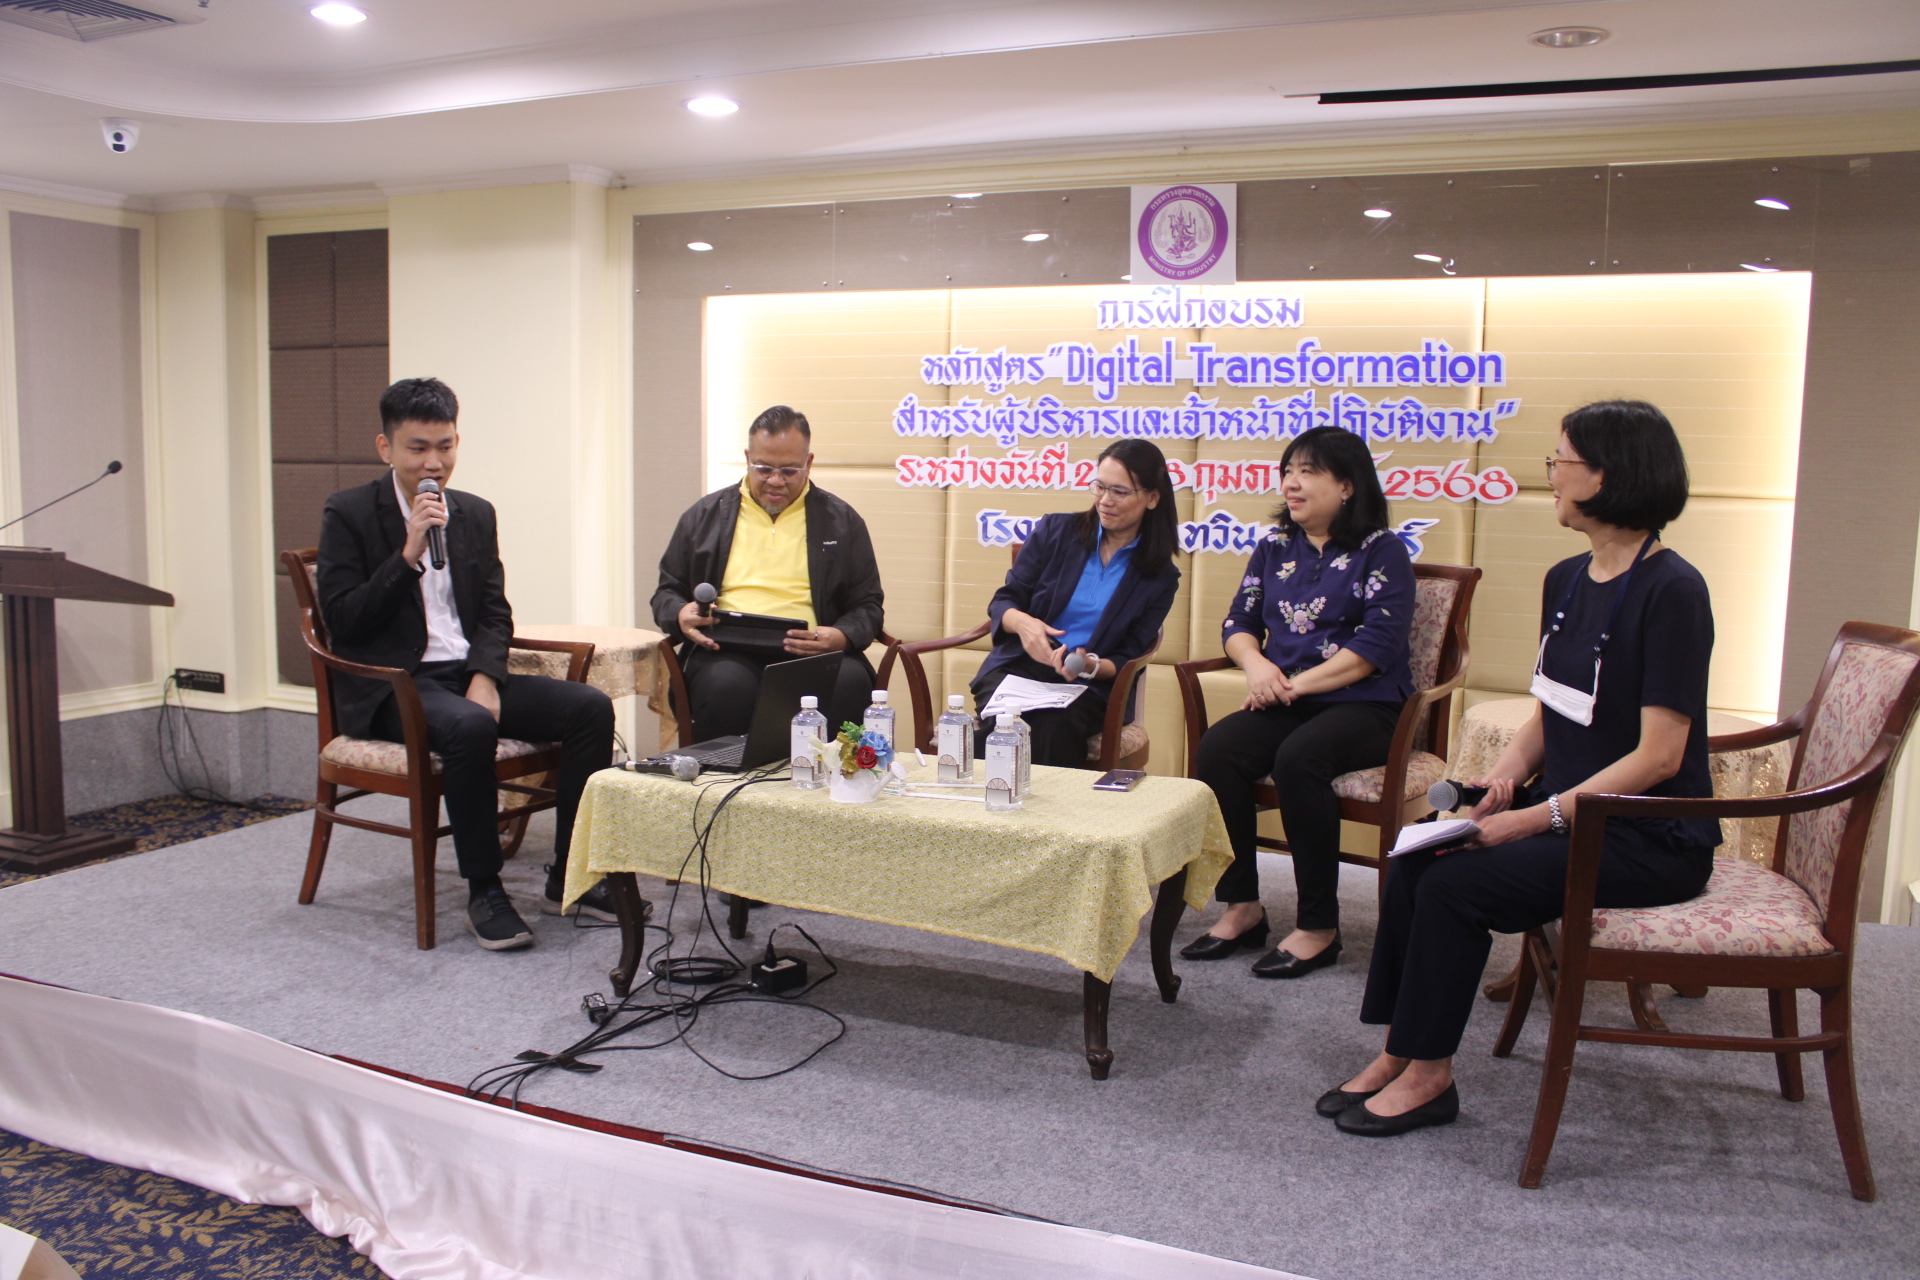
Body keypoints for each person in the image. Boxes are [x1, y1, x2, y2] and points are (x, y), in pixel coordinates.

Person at [1325, 399, 1717, 1137]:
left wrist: (1533, 819)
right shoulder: (1566, 578)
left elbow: (1661, 754)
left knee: (1457, 887)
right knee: (1416, 858)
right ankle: (1400, 1050)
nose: (1551, 476)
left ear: (1608, 475)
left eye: (1560, 462)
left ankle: (1431, 1077)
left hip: (1645, 836)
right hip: (1566, 812)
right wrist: (1504, 780)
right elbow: (1550, 714)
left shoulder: (1674, 591)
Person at [317, 378, 618, 952]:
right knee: (470, 726)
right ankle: (485, 889)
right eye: (417, 448)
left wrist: (485, 676)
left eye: (445, 446)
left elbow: (494, 612)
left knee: (590, 708)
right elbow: (344, 621)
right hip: (394, 687)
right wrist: (408, 554)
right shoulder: (349, 512)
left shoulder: (474, 513)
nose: (434, 463)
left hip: (464, 673)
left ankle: (571, 875)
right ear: (386, 448)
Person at [1187, 426, 1414, 979]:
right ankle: (1243, 906)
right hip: (1288, 697)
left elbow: (1375, 647)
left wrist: (1295, 684)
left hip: (1368, 706)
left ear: (1347, 485)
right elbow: (1237, 623)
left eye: (1307, 472)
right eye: (1287, 471)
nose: (1291, 483)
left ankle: (1318, 927)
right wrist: (1257, 666)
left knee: (1299, 759)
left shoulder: (1382, 550)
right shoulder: (1274, 548)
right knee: (1218, 749)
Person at [652, 405, 885, 741]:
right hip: (726, 651)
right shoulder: (704, 516)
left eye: (789, 471)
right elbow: (666, 592)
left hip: (811, 652)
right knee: (725, 687)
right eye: (763, 469)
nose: (775, 481)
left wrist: (840, 636)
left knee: (848, 682)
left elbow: (868, 604)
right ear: (748, 458)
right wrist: (680, 613)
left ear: (809, 463)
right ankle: (725, 776)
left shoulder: (841, 520)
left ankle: (830, 777)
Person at [969, 439, 1181, 767]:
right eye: (1100, 487)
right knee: (1009, 721)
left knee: (1053, 728)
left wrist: (1089, 665)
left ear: (1152, 498)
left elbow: (1127, 655)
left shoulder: (1160, 577)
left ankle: (1035, 803)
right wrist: (1025, 625)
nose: (1105, 500)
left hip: (1084, 684)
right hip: (1018, 667)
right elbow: (1004, 601)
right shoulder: (1056, 531)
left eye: (1119, 492)